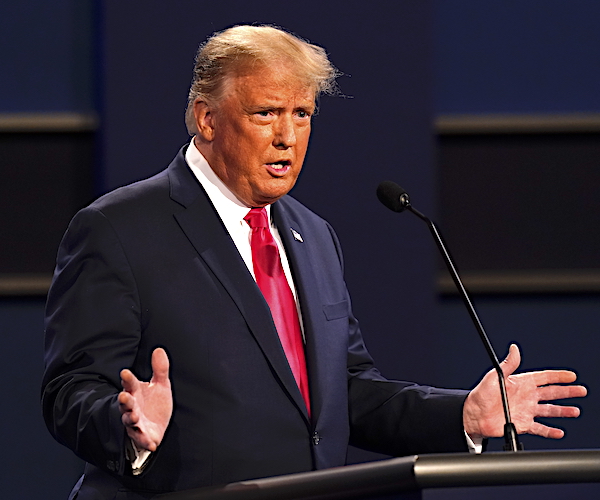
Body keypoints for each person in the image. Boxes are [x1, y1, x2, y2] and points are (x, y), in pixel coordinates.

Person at [42, 25, 586, 499]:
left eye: (302, 114)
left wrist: (461, 414)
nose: (287, 136)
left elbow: (344, 392)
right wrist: (127, 426)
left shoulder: (313, 236)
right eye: (266, 113)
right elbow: (70, 390)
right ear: (207, 119)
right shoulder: (120, 228)